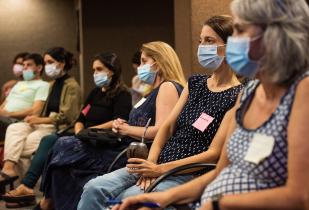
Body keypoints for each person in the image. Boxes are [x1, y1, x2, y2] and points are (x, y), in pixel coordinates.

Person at [113, 0, 309, 210]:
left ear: (275, 35)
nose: (233, 41)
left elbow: (301, 197)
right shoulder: (249, 93)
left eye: (239, 29)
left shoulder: (306, 89)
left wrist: (218, 203)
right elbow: (220, 172)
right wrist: (162, 198)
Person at [78, 15, 243, 210]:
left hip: (187, 171)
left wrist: (160, 169)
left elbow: (214, 153)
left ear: (231, 46)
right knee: (93, 188)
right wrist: (151, 163)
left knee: (128, 198)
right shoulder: (195, 83)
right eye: (200, 41)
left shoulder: (238, 94)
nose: (202, 47)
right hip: (158, 161)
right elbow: (166, 127)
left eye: (210, 41)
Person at [35, 42, 186, 210]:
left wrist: (126, 129)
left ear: (157, 63)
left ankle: (46, 203)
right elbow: (144, 124)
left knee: (63, 146)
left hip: (140, 154)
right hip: (129, 147)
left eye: (144, 61)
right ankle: (49, 203)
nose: (140, 66)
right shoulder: (151, 91)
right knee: (61, 158)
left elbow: (161, 131)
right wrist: (125, 125)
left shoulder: (167, 87)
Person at [0, 47, 81, 198]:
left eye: (50, 62)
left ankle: (24, 186)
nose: (47, 66)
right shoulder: (51, 85)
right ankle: (8, 168)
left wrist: (39, 119)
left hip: (58, 127)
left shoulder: (72, 86)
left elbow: (68, 117)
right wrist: (34, 119)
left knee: (22, 147)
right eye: (45, 62)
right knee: (14, 127)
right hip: (42, 123)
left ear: (62, 63)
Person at [0, 53, 50, 142]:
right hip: (3, 119)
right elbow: (3, 105)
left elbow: (36, 110)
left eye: (29, 65)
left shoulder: (43, 85)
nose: (24, 68)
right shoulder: (18, 84)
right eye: (23, 65)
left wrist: (9, 114)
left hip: (17, 121)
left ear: (39, 68)